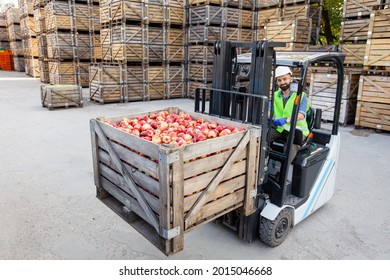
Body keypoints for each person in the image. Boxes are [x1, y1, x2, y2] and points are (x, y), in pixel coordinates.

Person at [269, 66, 310, 164]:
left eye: (284, 79)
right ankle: (263, 165)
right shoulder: (275, 95)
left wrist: (286, 119)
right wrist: (267, 115)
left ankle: (283, 173)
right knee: (262, 136)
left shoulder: (301, 95)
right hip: (280, 128)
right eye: (279, 80)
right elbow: (269, 110)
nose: (282, 82)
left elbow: (301, 114)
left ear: (290, 78)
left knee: (290, 145)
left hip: (297, 131)